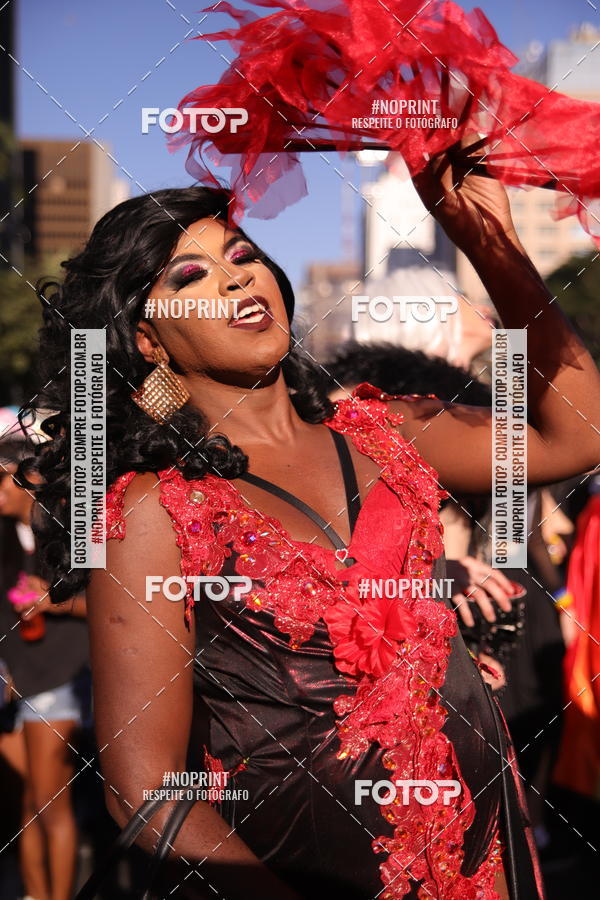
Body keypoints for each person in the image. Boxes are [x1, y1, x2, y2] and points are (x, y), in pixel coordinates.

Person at [21, 149, 600, 900]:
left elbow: (576, 435)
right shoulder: (155, 510)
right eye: (189, 278)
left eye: (240, 254)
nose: (236, 276)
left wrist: (488, 236)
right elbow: (148, 792)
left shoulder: (387, 432)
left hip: (488, 862)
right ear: (148, 341)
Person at [0, 434, 90, 900]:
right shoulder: (9, 540)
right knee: (29, 805)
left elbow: (107, 609)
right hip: (18, 684)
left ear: (27, 483)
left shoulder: (65, 537)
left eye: (3, 478)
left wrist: (54, 605)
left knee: (51, 806)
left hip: (59, 679)